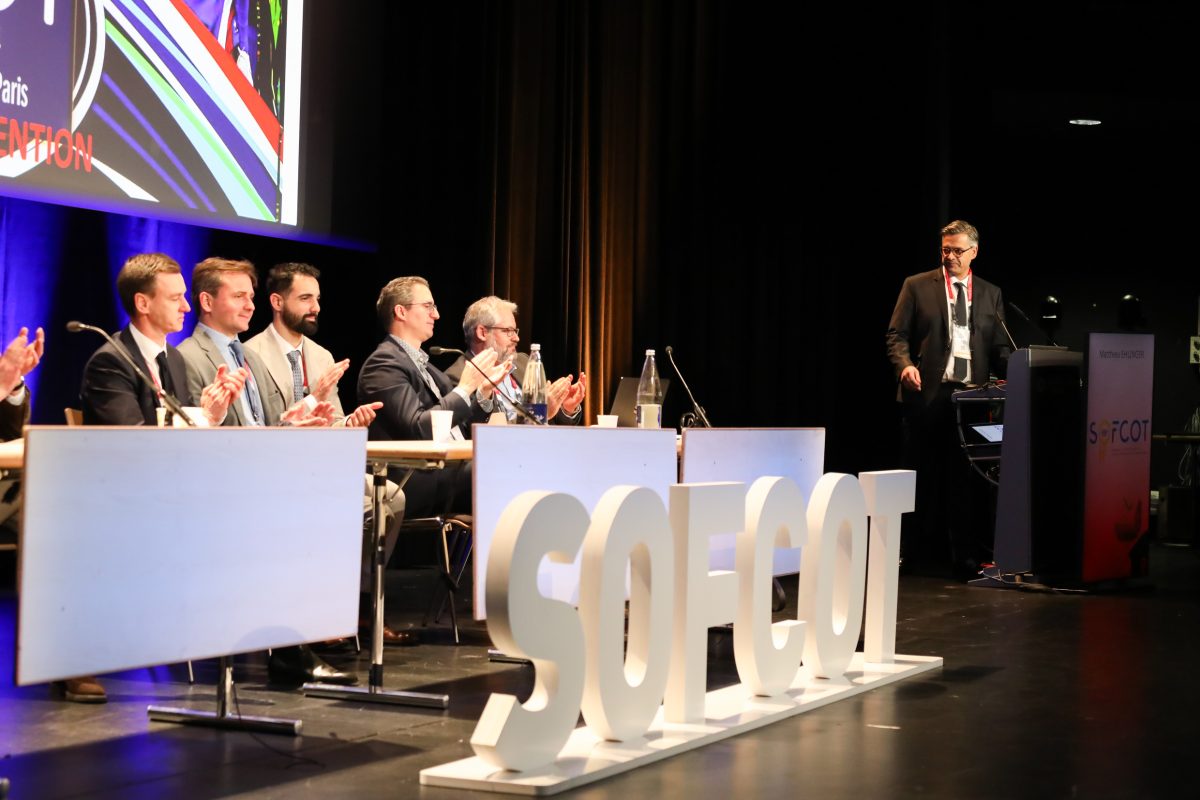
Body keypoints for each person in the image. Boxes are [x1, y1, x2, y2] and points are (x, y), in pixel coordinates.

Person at [175, 257, 361, 683]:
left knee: (338, 499)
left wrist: (303, 413)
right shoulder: (187, 357)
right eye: (239, 296)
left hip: (263, 478)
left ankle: (308, 633)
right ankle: (291, 647)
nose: (249, 305)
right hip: (220, 488)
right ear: (207, 301)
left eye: (251, 297)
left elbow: (272, 424)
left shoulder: (247, 357)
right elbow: (190, 438)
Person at [244, 262, 412, 645]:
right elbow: (267, 423)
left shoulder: (321, 356)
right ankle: (322, 609)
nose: (315, 307)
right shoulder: (252, 354)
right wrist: (313, 398)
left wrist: (350, 422)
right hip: (277, 469)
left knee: (392, 496)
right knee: (348, 508)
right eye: (305, 298)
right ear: (277, 302)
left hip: (322, 466)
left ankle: (362, 607)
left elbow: (333, 419)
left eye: (317, 299)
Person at [885, 219, 1009, 579]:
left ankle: (964, 558)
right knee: (915, 478)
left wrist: (1015, 370)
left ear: (974, 252)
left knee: (964, 482)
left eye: (957, 250)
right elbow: (896, 335)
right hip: (926, 395)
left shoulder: (990, 293)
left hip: (971, 399)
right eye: (945, 250)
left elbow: (999, 346)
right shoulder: (917, 285)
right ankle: (904, 552)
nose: (950, 256)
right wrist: (905, 366)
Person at [357, 277, 510, 517]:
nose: (436, 315)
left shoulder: (430, 369)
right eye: (428, 306)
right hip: (416, 479)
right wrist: (465, 388)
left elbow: (461, 427)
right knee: (501, 466)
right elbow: (418, 427)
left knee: (513, 458)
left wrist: (483, 392)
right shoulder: (383, 364)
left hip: (450, 470)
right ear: (401, 312)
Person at [80, 254, 246, 427]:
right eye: (175, 298)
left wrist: (211, 414)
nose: (186, 307)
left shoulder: (175, 359)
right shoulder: (109, 364)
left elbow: (186, 433)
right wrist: (205, 418)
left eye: (183, 296)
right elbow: (133, 437)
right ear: (143, 304)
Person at [444, 296, 586, 424]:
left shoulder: (524, 363)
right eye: (508, 331)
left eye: (515, 331)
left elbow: (549, 419)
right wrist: (536, 415)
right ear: (482, 332)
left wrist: (566, 408)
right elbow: (483, 432)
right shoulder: (457, 378)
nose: (517, 338)